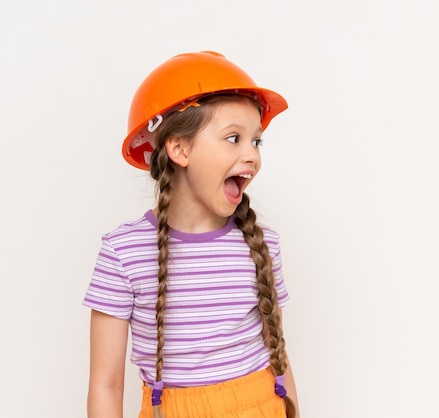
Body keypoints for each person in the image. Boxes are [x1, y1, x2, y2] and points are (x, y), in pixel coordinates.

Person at [83, 51, 299, 418]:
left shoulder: (261, 243)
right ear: (180, 149)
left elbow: (279, 354)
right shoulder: (124, 253)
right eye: (234, 138)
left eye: (256, 142)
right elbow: (106, 384)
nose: (252, 155)